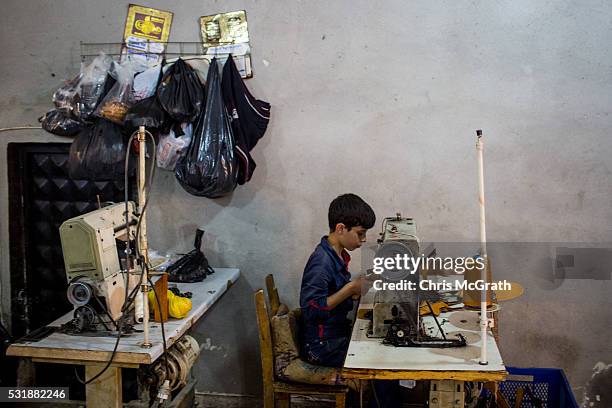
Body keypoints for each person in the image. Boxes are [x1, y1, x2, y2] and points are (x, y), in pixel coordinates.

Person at [299, 193, 375, 367]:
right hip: (321, 347)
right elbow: (311, 309)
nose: (363, 239)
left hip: (335, 334)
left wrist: (355, 290)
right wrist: (350, 289)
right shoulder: (322, 262)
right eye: (360, 233)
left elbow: (333, 293)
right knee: (376, 361)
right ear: (340, 228)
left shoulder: (338, 255)